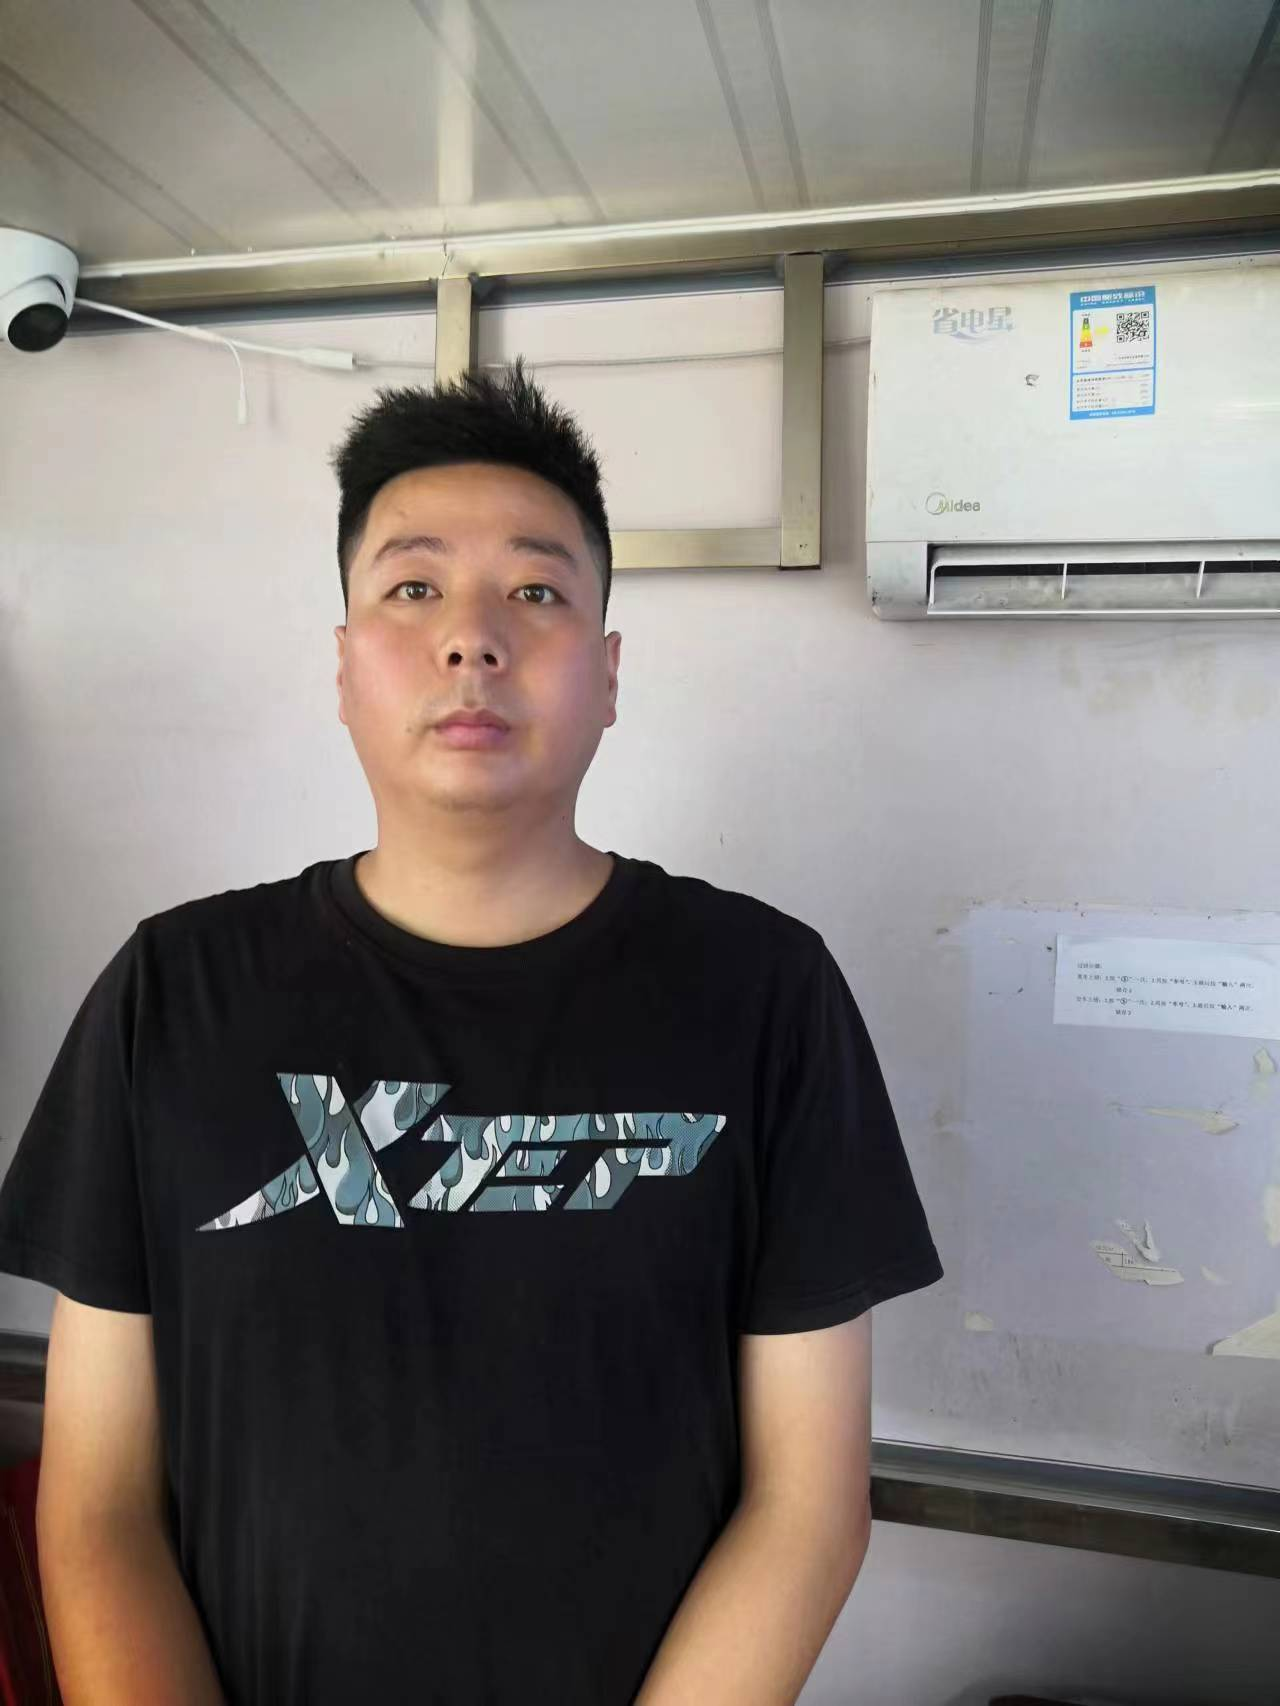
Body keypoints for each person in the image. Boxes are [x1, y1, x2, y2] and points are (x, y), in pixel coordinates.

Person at [0, 358, 942, 1706]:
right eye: (413, 587)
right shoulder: (172, 996)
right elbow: (97, 1506)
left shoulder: (766, 995)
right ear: (343, 665)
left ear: (607, 675)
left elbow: (808, 1504)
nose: (472, 639)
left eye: (537, 592)